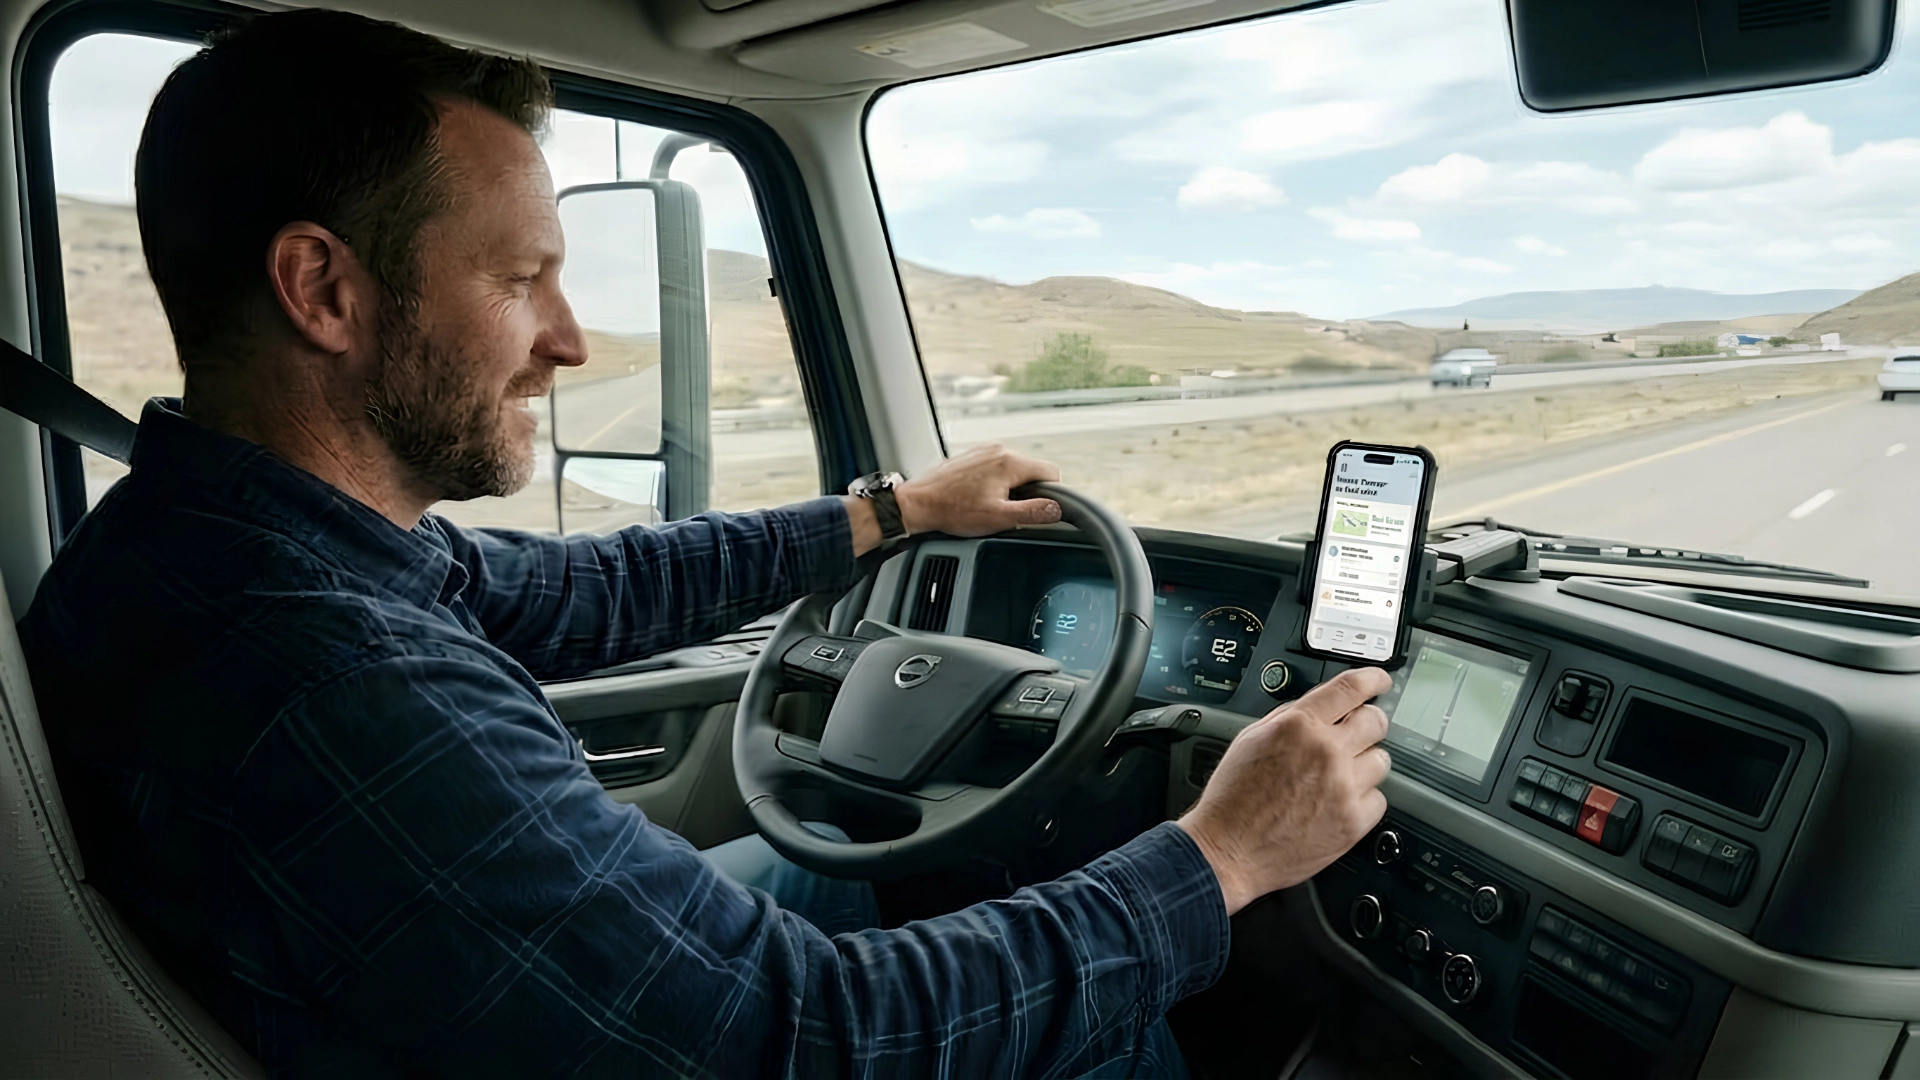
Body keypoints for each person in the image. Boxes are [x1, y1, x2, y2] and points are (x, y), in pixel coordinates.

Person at [18, 10, 1393, 1077]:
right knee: (1089, 1036)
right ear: (323, 288)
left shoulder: (222, 544)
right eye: (519, 280)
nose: (567, 340)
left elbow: (578, 588)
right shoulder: (329, 684)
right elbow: (807, 1045)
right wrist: (1221, 857)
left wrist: (891, 515)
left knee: (823, 868)